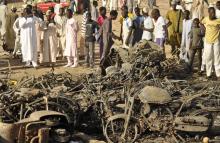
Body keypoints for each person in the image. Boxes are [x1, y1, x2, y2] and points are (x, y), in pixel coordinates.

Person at [201, 7, 220, 79]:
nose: (212, 14)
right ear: (208, 12)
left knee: (217, 57)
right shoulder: (206, 19)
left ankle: (218, 74)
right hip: (207, 41)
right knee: (208, 57)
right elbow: (201, 23)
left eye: (213, 13)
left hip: (216, 41)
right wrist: (203, 29)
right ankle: (208, 74)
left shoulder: (218, 20)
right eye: (210, 12)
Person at [99, 10, 119, 76]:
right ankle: (101, 67)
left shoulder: (108, 20)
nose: (116, 17)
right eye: (116, 16)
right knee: (104, 54)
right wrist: (116, 37)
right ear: (113, 15)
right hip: (106, 40)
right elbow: (108, 32)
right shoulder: (107, 21)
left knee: (106, 54)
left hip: (107, 39)